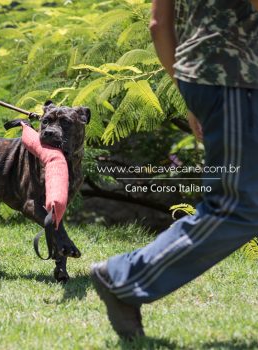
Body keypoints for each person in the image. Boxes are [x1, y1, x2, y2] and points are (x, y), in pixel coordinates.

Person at [91, 0, 258, 339]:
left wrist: (189, 93)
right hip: (235, 78)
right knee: (236, 206)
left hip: (209, 79)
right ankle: (124, 277)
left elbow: (158, 24)